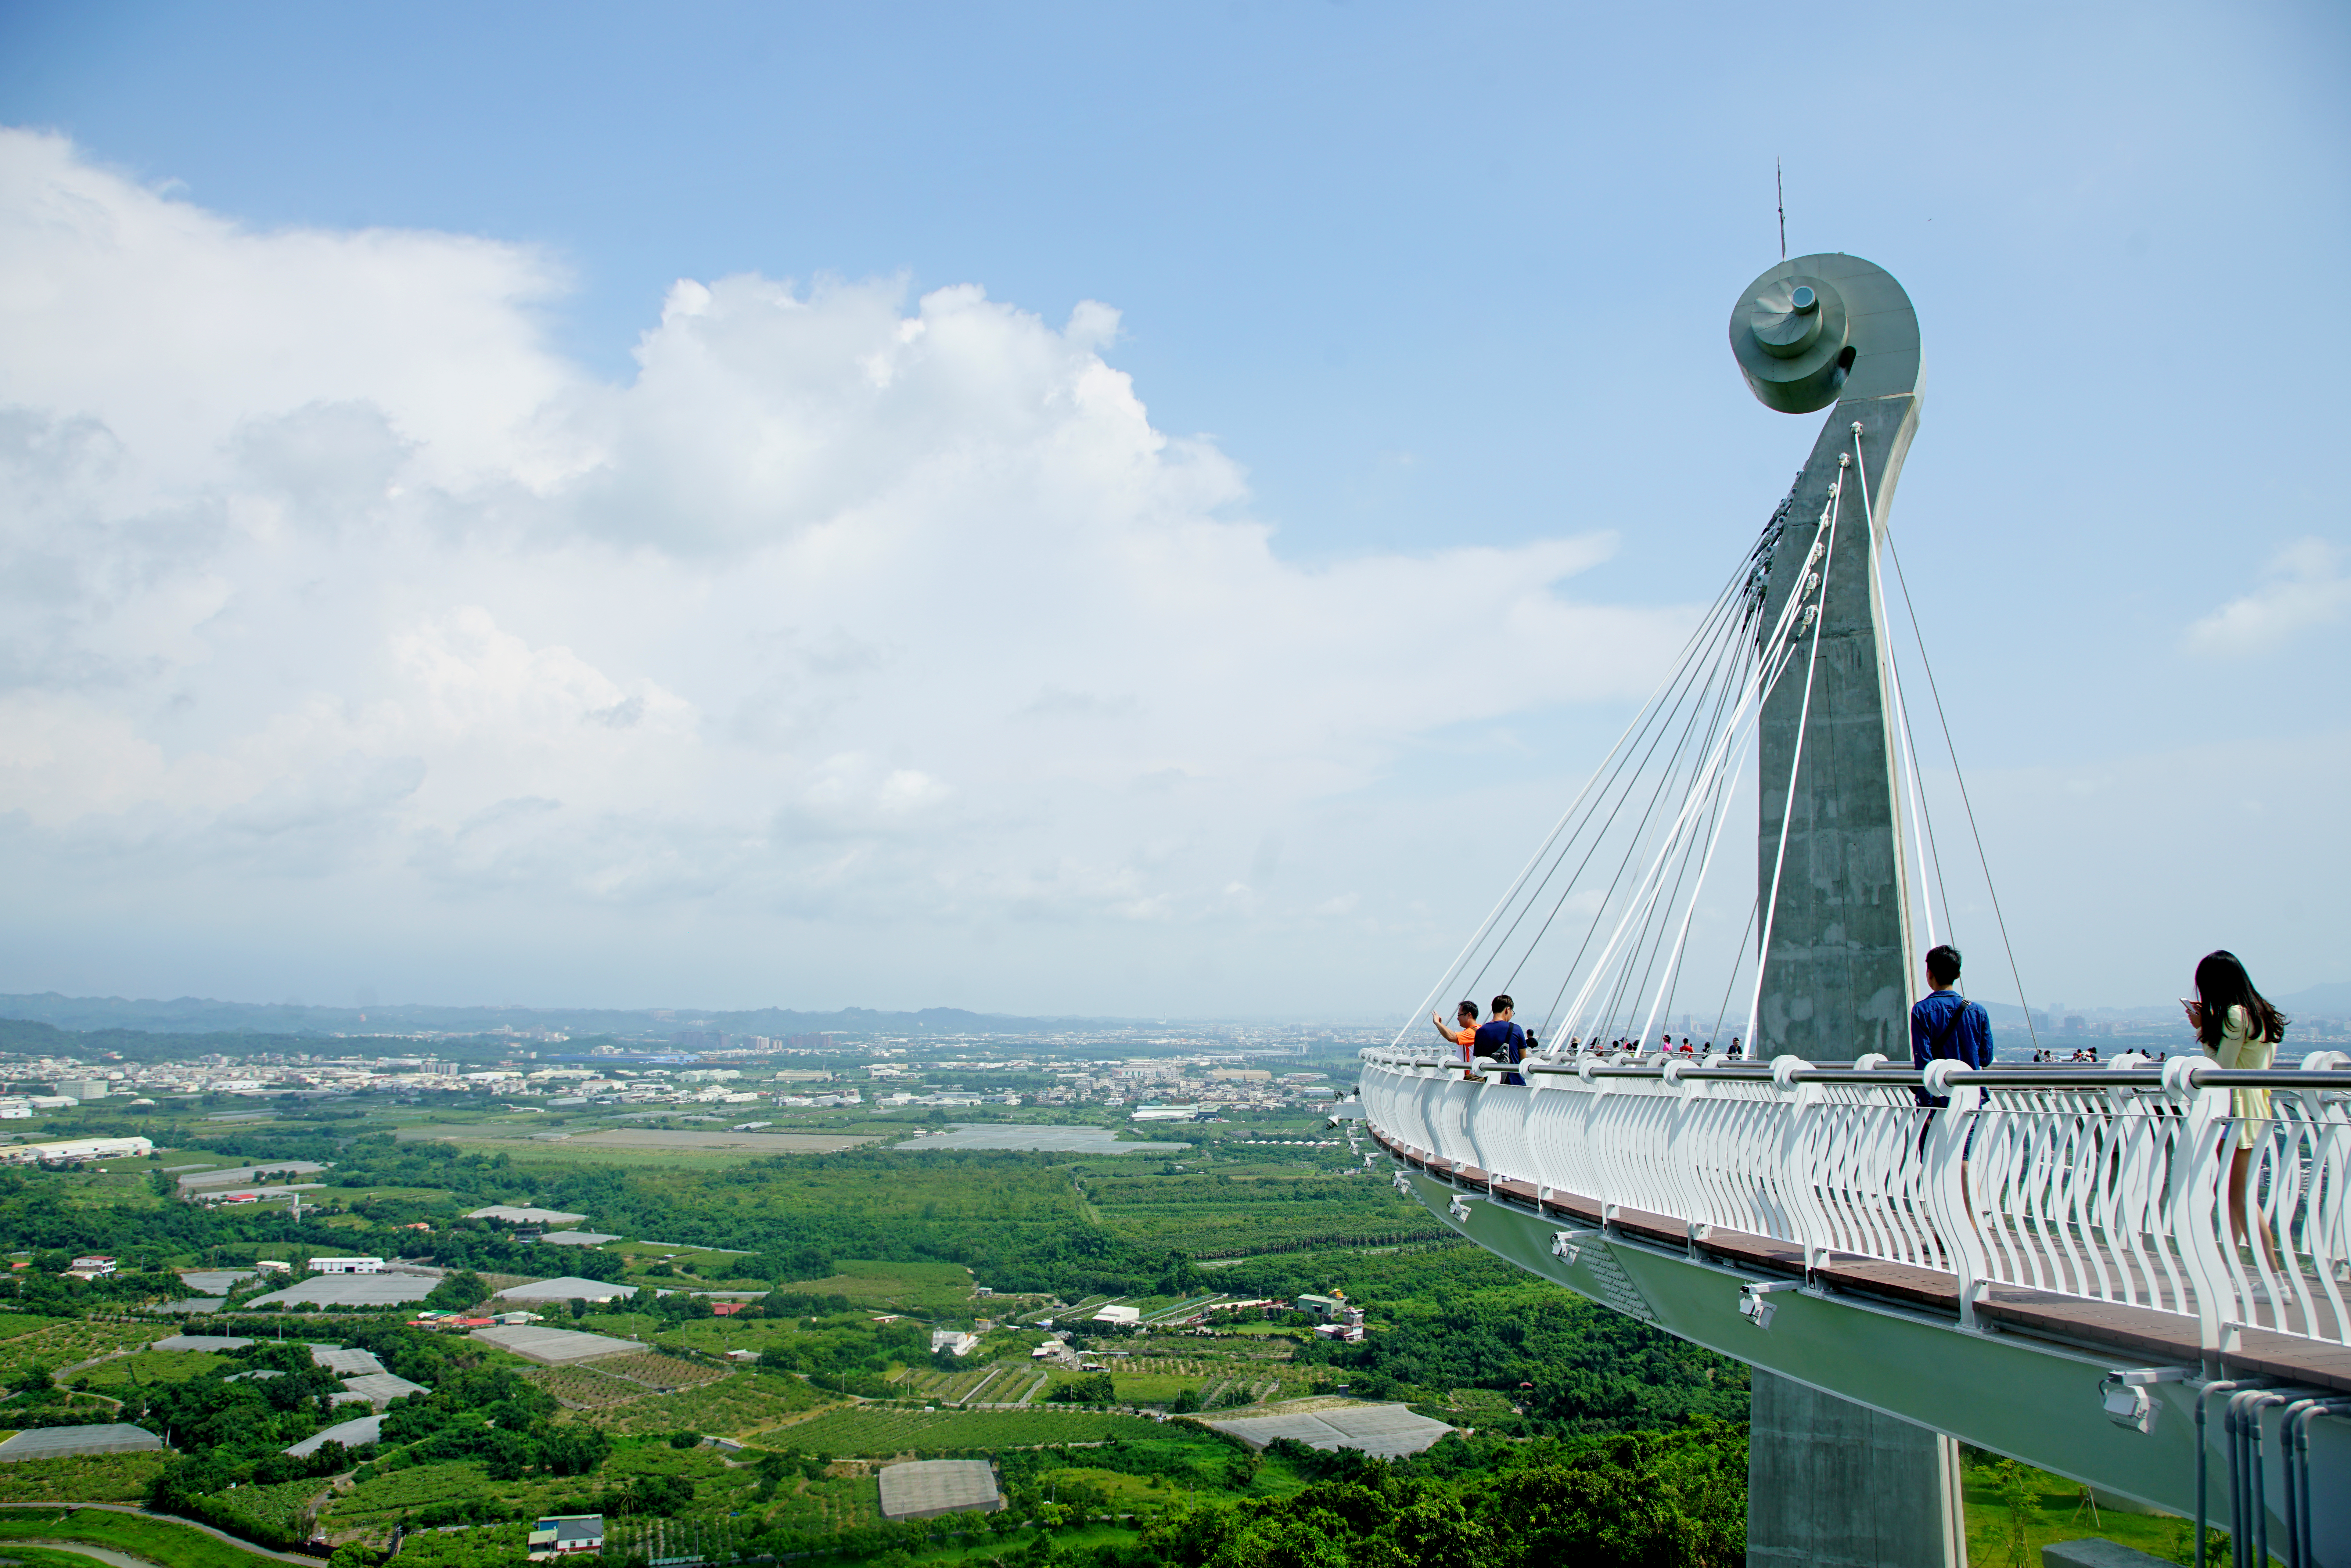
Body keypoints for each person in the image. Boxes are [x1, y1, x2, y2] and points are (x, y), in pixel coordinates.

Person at [2183, 949, 2288, 1254]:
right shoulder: (2261, 1012)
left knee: (2237, 1195)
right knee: (2233, 1193)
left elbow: (2221, 1068)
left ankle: (2272, 1277)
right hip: (2255, 1109)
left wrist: (2203, 1029)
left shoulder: (2234, 1015)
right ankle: (2241, 1269)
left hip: (2235, 1112)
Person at [1911, 945, 1993, 1177]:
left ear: (1929, 974)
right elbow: (1985, 1058)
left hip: (1937, 1101)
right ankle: (1969, 1212)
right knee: (1964, 1161)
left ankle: (1947, 1212)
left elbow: (1924, 1063)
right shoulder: (1978, 1011)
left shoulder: (1922, 1011)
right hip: (1971, 1097)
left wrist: (1925, 1104)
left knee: (1934, 1162)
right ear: (1958, 975)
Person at [1475, 995, 1528, 1084]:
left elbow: (1480, 1060)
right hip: (1516, 1084)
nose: (1512, 1015)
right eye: (1512, 1012)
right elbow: (1524, 1061)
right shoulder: (1516, 1029)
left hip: (1491, 1085)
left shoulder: (1481, 1032)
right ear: (1507, 1010)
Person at [1432, 1001, 1478, 1079]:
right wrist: (1441, 1025)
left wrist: (1437, 1023)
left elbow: (1451, 1037)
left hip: (1470, 1078)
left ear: (1469, 1015)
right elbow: (1453, 1035)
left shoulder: (1471, 1033)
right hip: (1470, 1077)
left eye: (1459, 1015)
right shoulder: (1476, 1030)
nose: (1458, 1018)